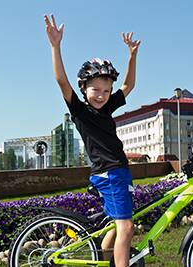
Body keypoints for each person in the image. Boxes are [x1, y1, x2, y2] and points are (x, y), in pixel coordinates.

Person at [44, 14, 141, 267]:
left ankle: (105, 261)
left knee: (114, 228)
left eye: (106, 90)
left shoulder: (106, 109)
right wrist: (56, 46)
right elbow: (61, 81)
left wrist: (132, 55)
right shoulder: (81, 112)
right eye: (95, 90)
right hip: (109, 174)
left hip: (117, 172)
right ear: (84, 88)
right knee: (126, 228)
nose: (102, 95)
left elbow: (129, 85)